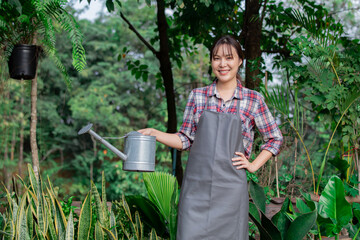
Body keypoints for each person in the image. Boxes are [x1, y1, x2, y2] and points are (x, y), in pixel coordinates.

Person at [138, 35, 283, 240]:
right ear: (211, 62)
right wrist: (155, 133)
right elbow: (185, 139)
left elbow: (275, 138)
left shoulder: (253, 99)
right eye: (216, 58)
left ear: (240, 61)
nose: (222, 64)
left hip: (231, 192)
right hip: (196, 190)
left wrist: (253, 165)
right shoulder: (198, 96)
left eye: (228, 58)